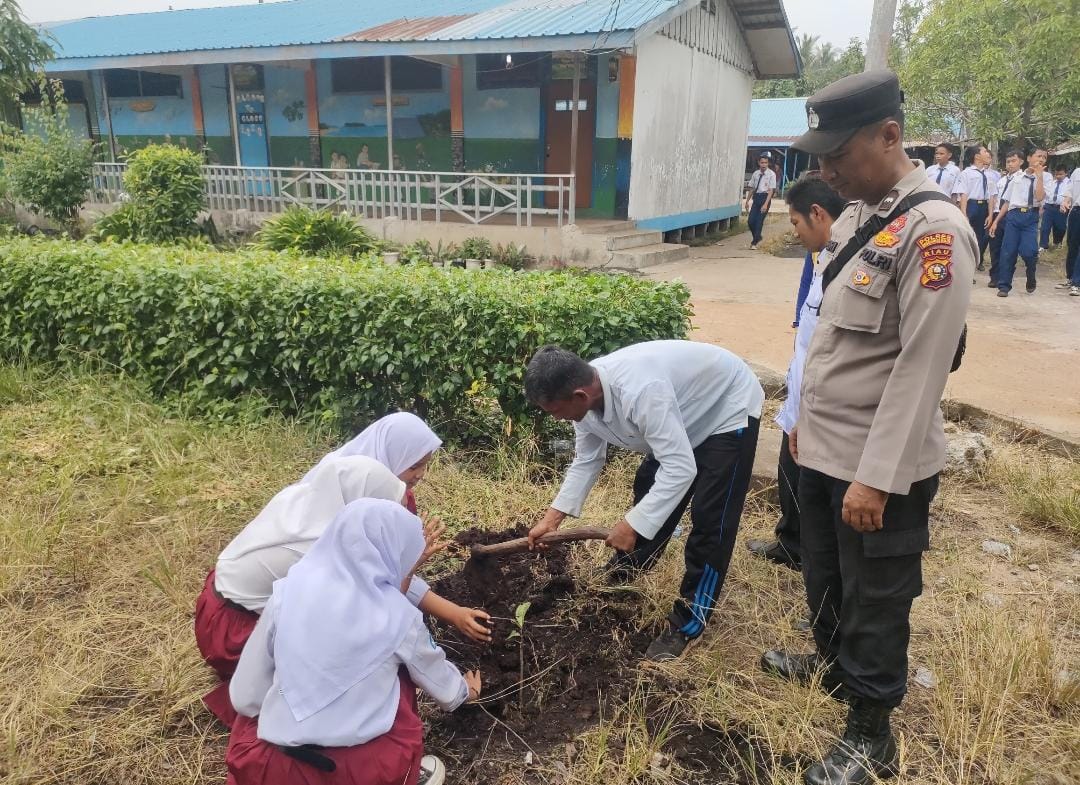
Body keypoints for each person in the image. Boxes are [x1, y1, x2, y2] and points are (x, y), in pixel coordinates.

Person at [761, 70, 973, 785]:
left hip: (877, 465)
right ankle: (830, 664)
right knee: (823, 572)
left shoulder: (934, 231)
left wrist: (877, 478)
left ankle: (871, 732)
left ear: (888, 136)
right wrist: (800, 420)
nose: (825, 172)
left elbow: (921, 368)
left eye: (837, 155)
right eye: (819, 158)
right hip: (823, 447)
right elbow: (826, 338)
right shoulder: (857, 217)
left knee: (877, 597)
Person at [195, 455, 491, 726]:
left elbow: (244, 698)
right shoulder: (313, 558)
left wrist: (452, 612)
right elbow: (382, 611)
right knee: (391, 669)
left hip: (224, 622)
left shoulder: (311, 528)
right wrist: (464, 692)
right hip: (232, 631)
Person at [523, 341, 763, 662]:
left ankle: (688, 621)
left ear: (580, 396)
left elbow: (680, 468)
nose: (555, 419)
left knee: (711, 521)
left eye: (554, 411)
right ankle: (628, 570)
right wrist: (551, 520)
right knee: (649, 483)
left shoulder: (640, 391)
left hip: (725, 408)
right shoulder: (585, 399)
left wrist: (632, 524)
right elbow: (587, 460)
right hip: (682, 414)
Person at [227, 499, 481, 785]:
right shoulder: (399, 616)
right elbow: (443, 687)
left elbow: (244, 697)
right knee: (401, 677)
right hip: (357, 771)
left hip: (277, 767)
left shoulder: (287, 593)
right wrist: (465, 691)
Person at [747, 174, 846, 572]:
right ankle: (790, 543)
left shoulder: (847, 265)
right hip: (802, 398)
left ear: (817, 214)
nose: (794, 232)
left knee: (815, 487)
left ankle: (815, 561)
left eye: (795, 222)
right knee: (790, 472)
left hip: (822, 406)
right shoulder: (823, 258)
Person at [306, 412, 442, 514]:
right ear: (390, 455)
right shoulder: (340, 480)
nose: (420, 474)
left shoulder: (399, 495)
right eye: (414, 466)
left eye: (425, 465)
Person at [989, 149, 1045, 296]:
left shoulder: (1046, 177)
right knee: (1008, 252)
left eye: (1044, 157)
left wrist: (1039, 177)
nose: (1041, 159)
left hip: (1031, 216)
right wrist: (996, 221)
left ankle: (1031, 275)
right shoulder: (1017, 177)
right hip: (1013, 215)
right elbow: (1007, 202)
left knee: (1029, 252)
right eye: (1039, 156)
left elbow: (1040, 197)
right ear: (1029, 158)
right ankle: (1004, 286)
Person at [954, 144, 1000, 271]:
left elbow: (991, 196)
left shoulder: (989, 175)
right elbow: (964, 194)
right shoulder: (967, 173)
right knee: (967, 237)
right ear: (977, 156)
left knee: (981, 238)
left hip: (984, 207)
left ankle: (973, 267)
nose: (988, 154)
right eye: (984, 151)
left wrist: (990, 214)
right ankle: (962, 267)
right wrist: (964, 214)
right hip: (971, 206)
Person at [744, 154, 777, 250]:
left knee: (759, 221)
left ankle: (754, 243)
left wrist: (766, 204)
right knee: (751, 221)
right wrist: (747, 201)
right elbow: (752, 188)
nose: (764, 165)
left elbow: (771, 190)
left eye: (766, 163)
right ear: (759, 163)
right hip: (756, 198)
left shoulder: (771, 174)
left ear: (768, 163)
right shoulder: (756, 174)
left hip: (765, 198)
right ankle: (757, 236)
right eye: (762, 162)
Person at [1058, 164, 1080, 295]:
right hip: (1076, 212)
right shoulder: (1077, 172)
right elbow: (1070, 190)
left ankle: (1077, 283)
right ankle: (1071, 279)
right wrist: (1065, 201)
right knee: (1072, 246)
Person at [1040, 164, 1070, 250]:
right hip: (1049, 207)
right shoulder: (1052, 183)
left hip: (1061, 208)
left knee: (1060, 227)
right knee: (1044, 227)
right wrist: (1043, 206)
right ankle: (1043, 246)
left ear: (1066, 173)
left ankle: (1057, 242)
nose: (1058, 176)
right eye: (1056, 174)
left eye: (1060, 174)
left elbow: (1070, 195)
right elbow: (1047, 195)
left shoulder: (1069, 183)